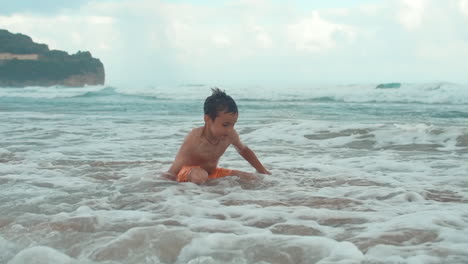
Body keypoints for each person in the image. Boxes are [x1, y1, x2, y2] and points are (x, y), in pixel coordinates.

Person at [164, 88, 271, 184]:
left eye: (233, 124)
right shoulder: (195, 139)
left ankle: (215, 192)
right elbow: (174, 169)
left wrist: (262, 171)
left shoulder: (231, 135)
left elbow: (244, 150)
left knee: (250, 178)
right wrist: (164, 183)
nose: (230, 129)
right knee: (200, 176)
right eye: (225, 125)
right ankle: (199, 197)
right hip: (186, 172)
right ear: (208, 119)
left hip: (212, 172)